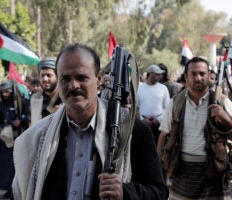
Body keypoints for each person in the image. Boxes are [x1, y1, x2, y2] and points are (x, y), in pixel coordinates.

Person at [12, 43, 168, 200]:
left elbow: (159, 192)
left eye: (81, 77)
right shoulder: (38, 138)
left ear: (98, 78)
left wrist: (125, 192)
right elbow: (20, 192)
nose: (73, 85)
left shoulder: (132, 133)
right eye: (65, 79)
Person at [157, 56, 232, 199]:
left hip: (214, 172)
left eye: (202, 74)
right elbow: (163, 134)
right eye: (193, 74)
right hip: (183, 174)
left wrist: (225, 117)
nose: (198, 78)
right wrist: (159, 160)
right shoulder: (176, 103)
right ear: (186, 76)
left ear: (209, 76)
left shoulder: (222, 102)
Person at [0, 80, 29, 199]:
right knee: (4, 165)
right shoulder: (1, 104)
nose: (4, 94)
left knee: (17, 164)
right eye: (2, 92)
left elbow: (28, 115)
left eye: (7, 91)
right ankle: (5, 189)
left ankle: (16, 190)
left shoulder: (21, 101)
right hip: (5, 139)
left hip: (18, 137)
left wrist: (21, 121)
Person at [137, 64, 170, 145]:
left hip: (158, 126)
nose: (160, 76)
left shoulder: (163, 88)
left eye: (160, 74)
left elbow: (168, 107)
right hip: (143, 125)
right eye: (157, 74)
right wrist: (142, 119)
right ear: (150, 74)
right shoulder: (139, 88)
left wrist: (159, 119)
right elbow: (136, 107)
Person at [30, 57, 62, 125]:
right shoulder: (35, 98)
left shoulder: (65, 98)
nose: (45, 79)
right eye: (42, 75)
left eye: (49, 75)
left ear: (57, 76)